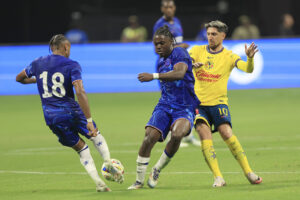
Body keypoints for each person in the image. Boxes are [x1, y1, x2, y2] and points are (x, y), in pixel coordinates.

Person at [15, 34, 123, 192]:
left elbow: (19, 78)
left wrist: (37, 79)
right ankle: (108, 162)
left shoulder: (37, 63)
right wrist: (89, 119)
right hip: (71, 111)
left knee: (81, 149)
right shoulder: (71, 64)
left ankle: (99, 184)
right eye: (69, 48)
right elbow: (80, 90)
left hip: (51, 117)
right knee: (95, 135)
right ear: (66, 47)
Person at [189, 20, 262, 187]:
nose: (210, 37)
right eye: (208, 34)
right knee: (204, 135)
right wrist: (191, 65)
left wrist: (250, 59)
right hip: (199, 104)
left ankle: (249, 172)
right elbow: (183, 64)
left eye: (214, 34)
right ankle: (218, 177)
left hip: (219, 103)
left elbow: (248, 69)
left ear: (223, 35)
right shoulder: (196, 50)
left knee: (226, 133)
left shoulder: (229, 56)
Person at [128, 25, 200, 190]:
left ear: (171, 42)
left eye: (162, 43)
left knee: (177, 134)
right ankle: (138, 181)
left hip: (185, 105)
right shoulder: (159, 62)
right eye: (156, 44)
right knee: (149, 138)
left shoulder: (179, 53)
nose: (158, 46)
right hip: (165, 104)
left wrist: (152, 77)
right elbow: (166, 85)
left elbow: (180, 73)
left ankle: (157, 169)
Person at [153, 0, 200, 147]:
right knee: (169, 99)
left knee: (186, 97)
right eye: (166, 7)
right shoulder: (159, 25)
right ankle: (170, 135)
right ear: (162, 9)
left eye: (171, 6)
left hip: (180, 62)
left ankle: (188, 134)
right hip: (167, 66)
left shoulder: (177, 22)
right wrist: (181, 46)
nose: (168, 9)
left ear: (174, 8)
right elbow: (158, 49)